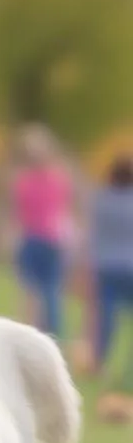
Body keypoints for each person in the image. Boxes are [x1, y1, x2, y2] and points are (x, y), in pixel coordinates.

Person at [10, 124, 74, 339]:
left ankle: (35, 334)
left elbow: (19, 213)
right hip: (46, 239)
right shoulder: (58, 178)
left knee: (36, 292)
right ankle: (48, 335)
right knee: (47, 291)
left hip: (39, 240)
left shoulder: (23, 181)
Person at [88, 154, 133, 371]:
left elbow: (94, 234)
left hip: (106, 265)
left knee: (106, 318)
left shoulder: (102, 199)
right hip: (130, 265)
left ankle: (100, 361)